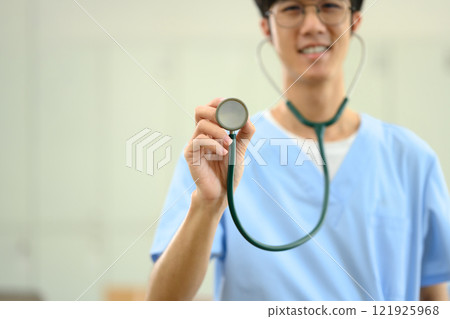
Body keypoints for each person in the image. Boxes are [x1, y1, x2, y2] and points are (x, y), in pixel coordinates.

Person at [146, 0, 450, 300]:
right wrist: (207, 207)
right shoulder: (221, 153)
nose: (312, 25)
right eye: (293, 9)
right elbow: (161, 304)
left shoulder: (412, 159)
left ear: (354, 22)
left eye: (329, 6)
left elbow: (434, 299)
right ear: (267, 27)